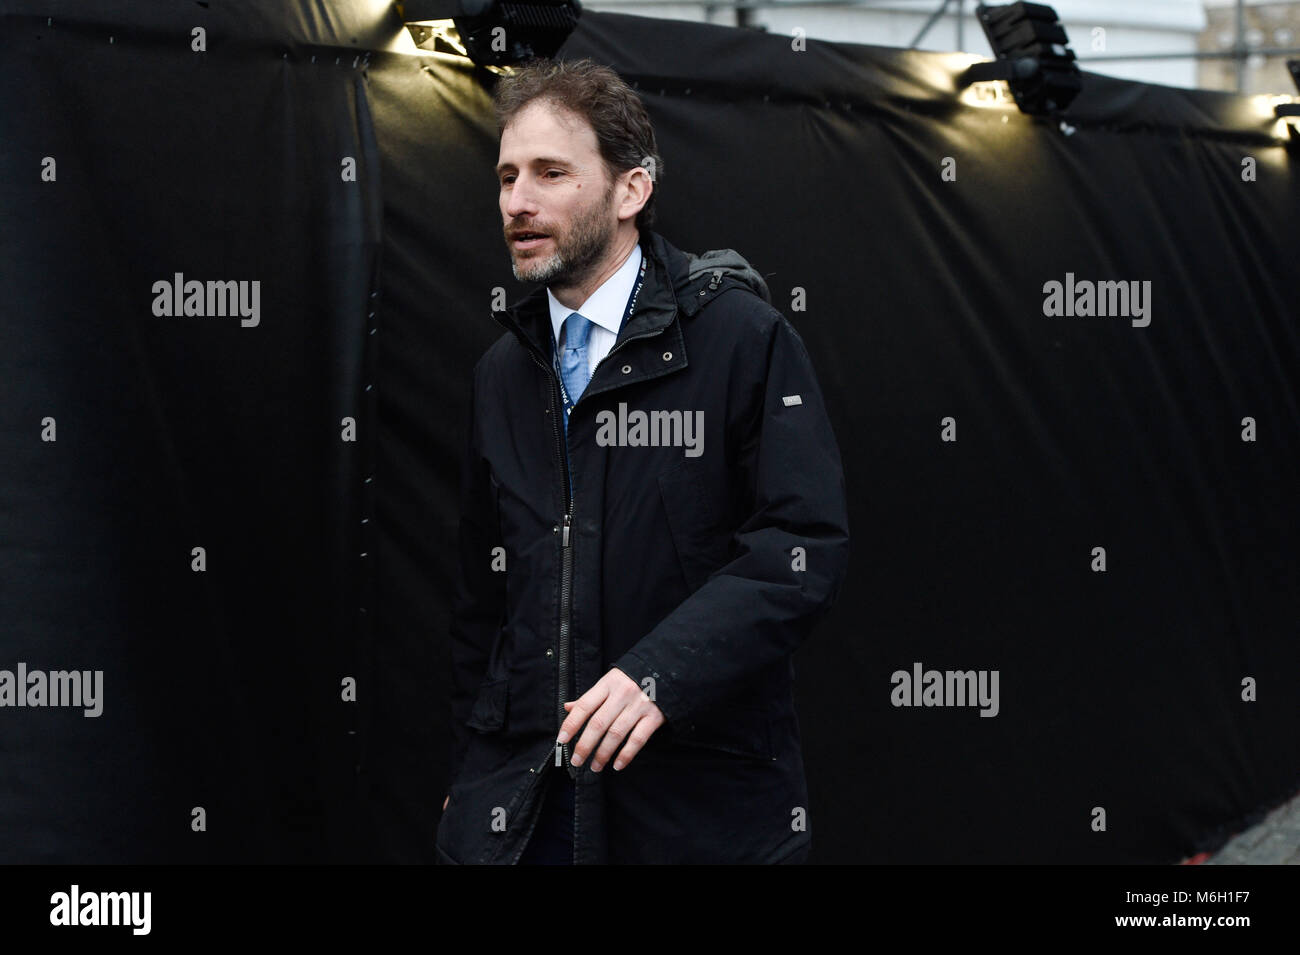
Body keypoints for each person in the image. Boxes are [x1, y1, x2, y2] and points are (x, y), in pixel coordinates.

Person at [434, 57, 850, 865]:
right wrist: (473, 772)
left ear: (632, 191)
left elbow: (802, 549)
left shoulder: (741, 339)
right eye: (508, 176)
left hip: (692, 818)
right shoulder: (502, 372)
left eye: (552, 173)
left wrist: (660, 671)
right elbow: (483, 604)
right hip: (527, 814)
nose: (518, 202)